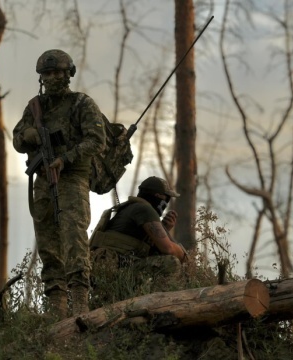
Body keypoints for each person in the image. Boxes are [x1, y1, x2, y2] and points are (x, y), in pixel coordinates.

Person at [12, 49, 106, 318]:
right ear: (41, 77)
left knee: (74, 238)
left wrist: (66, 158)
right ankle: (56, 306)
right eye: (47, 74)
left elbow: (96, 140)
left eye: (57, 73)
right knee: (47, 241)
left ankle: (80, 304)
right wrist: (28, 135)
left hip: (73, 178)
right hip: (43, 180)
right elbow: (17, 138)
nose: (52, 78)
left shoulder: (81, 104)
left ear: (68, 75)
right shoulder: (35, 108)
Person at [90, 176, 188, 278]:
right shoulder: (145, 209)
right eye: (166, 198)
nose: (167, 203)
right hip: (112, 265)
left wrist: (164, 228)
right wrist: (184, 257)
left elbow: (141, 246)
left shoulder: (131, 207)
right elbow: (168, 249)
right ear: (158, 196)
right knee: (171, 263)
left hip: (105, 266)